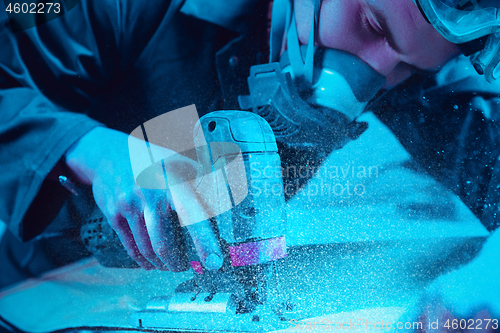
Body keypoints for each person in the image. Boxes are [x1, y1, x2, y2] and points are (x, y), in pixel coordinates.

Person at [0, 0, 498, 325]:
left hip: (200, 282)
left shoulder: (404, 56)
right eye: (369, 24)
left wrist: (483, 291)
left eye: (409, 65)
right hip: (44, 282)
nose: (370, 77)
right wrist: (88, 147)